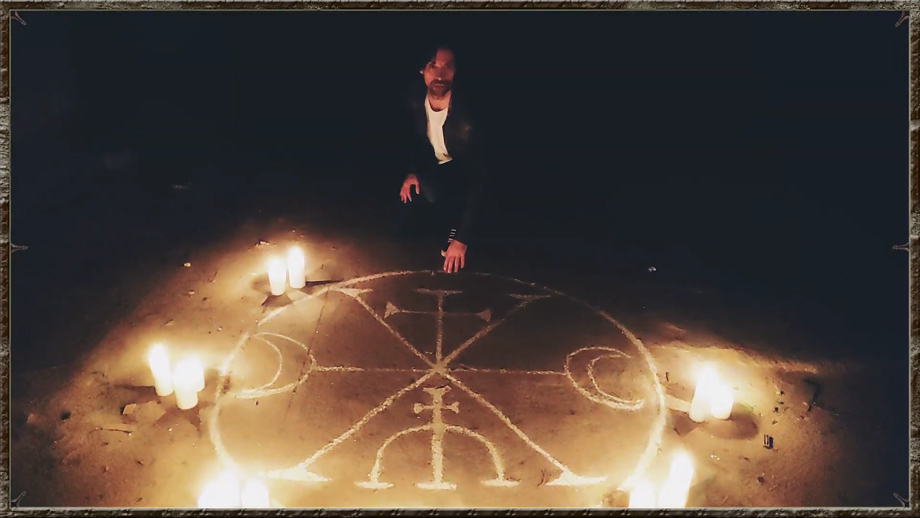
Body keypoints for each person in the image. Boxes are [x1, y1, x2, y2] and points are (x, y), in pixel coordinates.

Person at [397, 45, 487, 274]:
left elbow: (480, 177)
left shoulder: (469, 113)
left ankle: (457, 225)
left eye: (447, 67)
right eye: (433, 66)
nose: (439, 75)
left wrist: (462, 239)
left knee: (458, 225)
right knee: (406, 221)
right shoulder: (414, 99)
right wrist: (412, 172)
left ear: (456, 71)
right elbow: (414, 140)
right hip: (433, 169)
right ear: (422, 69)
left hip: (461, 174)